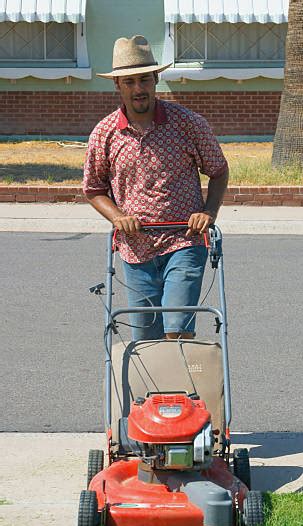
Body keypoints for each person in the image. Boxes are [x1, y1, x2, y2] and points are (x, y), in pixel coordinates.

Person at [83, 35, 229, 341]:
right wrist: (117, 217)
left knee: (176, 331)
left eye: (144, 80)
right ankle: (153, 391)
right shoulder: (104, 134)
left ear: (156, 79)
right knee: (146, 341)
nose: (139, 89)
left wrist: (208, 212)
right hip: (135, 248)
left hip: (184, 241)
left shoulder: (187, 124)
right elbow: (94, 189)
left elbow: (218, 170)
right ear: (118, 85)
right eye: (130, 82)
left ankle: (180, 389)